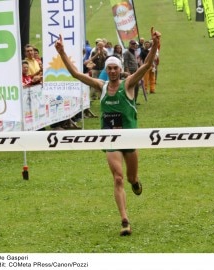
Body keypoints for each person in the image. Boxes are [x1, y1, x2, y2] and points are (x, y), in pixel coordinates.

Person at [55, 27, 161, 236]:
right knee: (118, 178)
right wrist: (61, 53)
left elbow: (147, 64)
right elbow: (76, 74)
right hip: (109, 138)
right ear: (107, 70)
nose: (112, 71)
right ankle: (124, 220)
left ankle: (136, 182)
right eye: (109, 68)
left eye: (115, 69)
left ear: (119, 70)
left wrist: (156, 44)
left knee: (130, 178)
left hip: (129, 138)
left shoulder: (128, 84)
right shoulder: (101, 86)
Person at [123, 40, 140, 104]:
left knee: (136, 87)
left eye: (134, 44)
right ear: (129, 44)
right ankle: (130, 101)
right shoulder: (127, 53)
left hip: (135, 71)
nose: (133, 45)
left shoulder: (134, 52)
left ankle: (134, 101)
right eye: (132, 44)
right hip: (130, 72)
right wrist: (128, 72)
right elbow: (125, 63)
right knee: (131, 87)